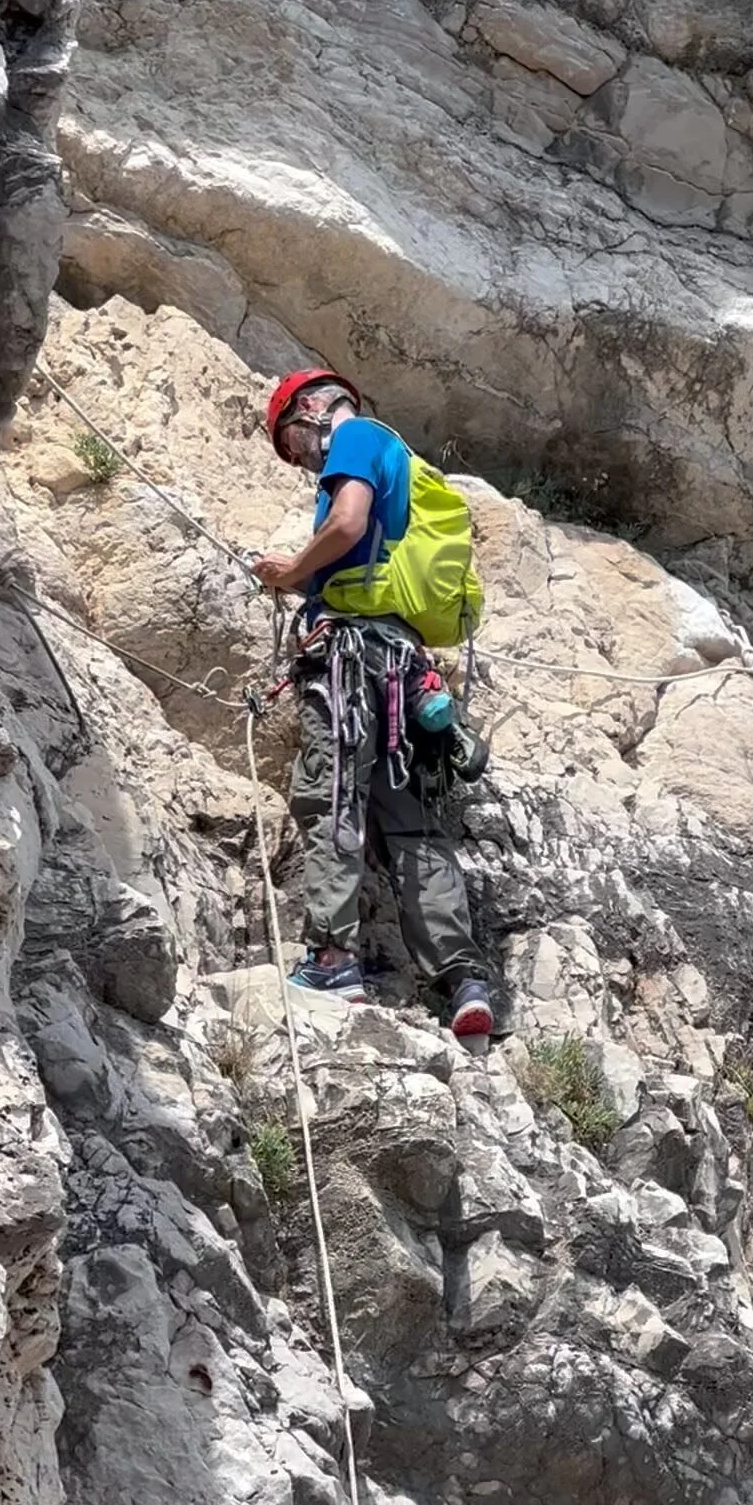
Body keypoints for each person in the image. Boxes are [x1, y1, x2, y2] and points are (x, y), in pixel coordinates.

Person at [252, 368, 494, 1043]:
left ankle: (332, 961)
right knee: (411, 826)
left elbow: (347, 521)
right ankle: (464, 983)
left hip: (351, 659)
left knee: (332, 794)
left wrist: (290, 571)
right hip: (405, 670)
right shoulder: (400, 460)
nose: (304, 461)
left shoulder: (355, 436)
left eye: (293, 444)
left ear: (309, 409)